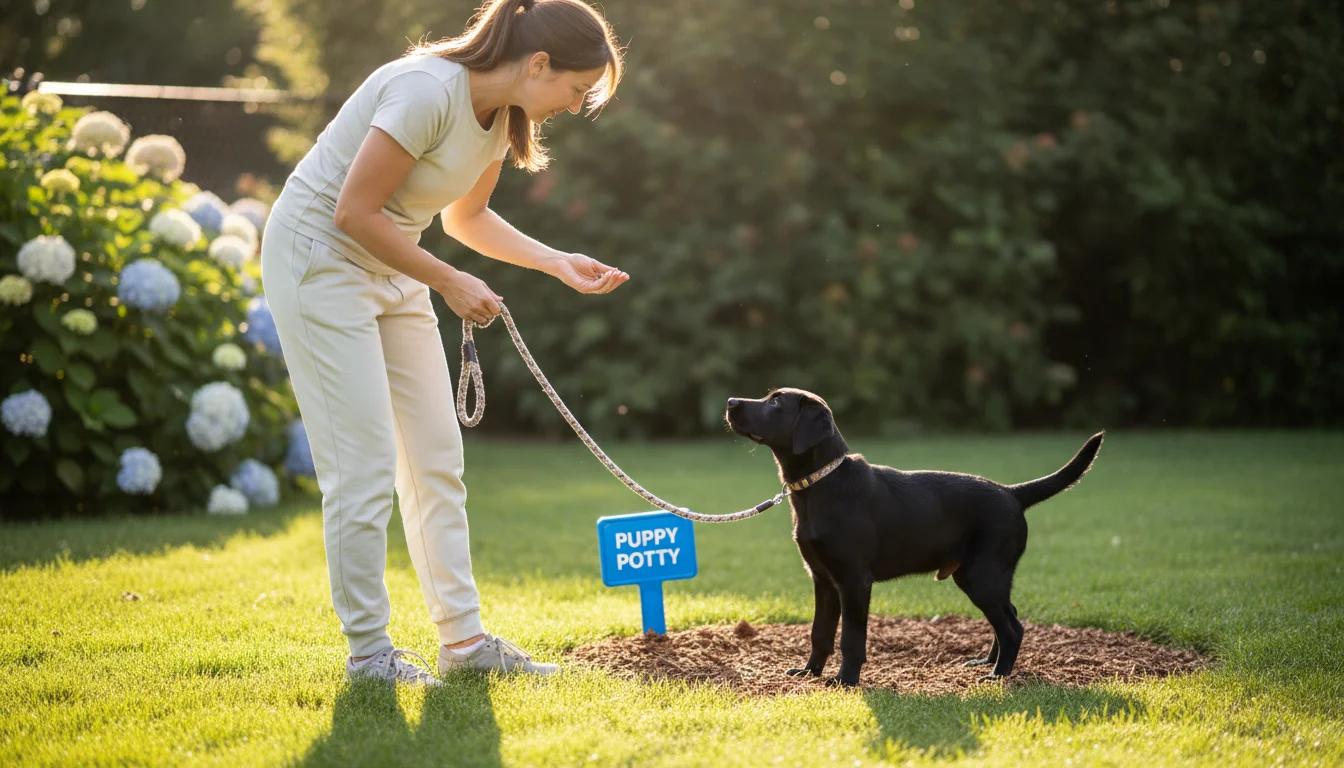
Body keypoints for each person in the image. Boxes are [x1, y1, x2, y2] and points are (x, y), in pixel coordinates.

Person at [258, 0, 628, 686]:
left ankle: (462, 645)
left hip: (395, 263)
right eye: (576, 90)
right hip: (319, 259)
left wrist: (555, 261)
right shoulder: (426, 89)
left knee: (436, 459)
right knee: (363, 467)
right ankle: (369, 655)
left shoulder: (505, 118)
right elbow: (354, 211)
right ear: (538, 63)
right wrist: (450, 283)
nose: (575, 107)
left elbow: (467, 217)